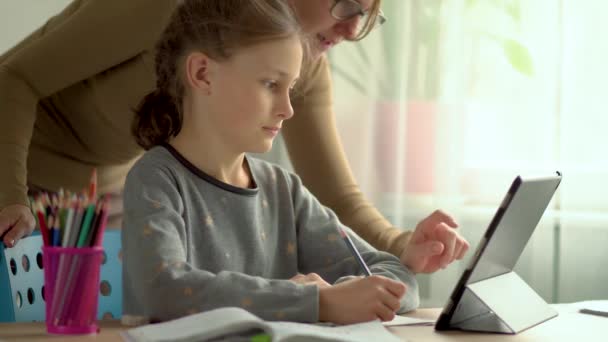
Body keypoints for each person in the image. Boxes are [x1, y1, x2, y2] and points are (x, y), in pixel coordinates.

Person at [0, 0, 468, 274]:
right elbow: (14, 80)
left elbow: (337, 197)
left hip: (99, 204)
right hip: (15, 182)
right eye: (346, 4)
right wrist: (10, 195)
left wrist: (403, 245)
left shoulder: (301, 64)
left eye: (365, 16)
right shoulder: (166, 9)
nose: (351, 29)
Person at [121, 0, 418, 324]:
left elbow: (394, 274)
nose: (288, 109)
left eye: (290, 88)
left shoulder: (283, 191)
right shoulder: (157, 181)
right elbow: (166, 292)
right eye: (271, 84)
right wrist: (319, 302)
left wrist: (352, 293)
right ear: (203, 74)